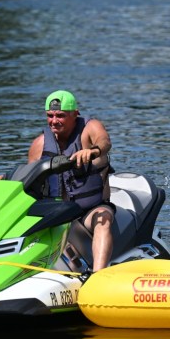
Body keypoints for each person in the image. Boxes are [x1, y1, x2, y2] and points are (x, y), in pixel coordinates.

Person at [27, 89, 114, 271]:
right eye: (50, 116)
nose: (54, 121)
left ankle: (98, 276)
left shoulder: (90, 129)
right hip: (58, 213)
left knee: (103, 219)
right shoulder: (39, 144)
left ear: (75, 114)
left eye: (60, 115)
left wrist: (92, 151)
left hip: (90, 210)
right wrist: (4, 180)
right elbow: (27, 180)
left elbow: (104, 141)